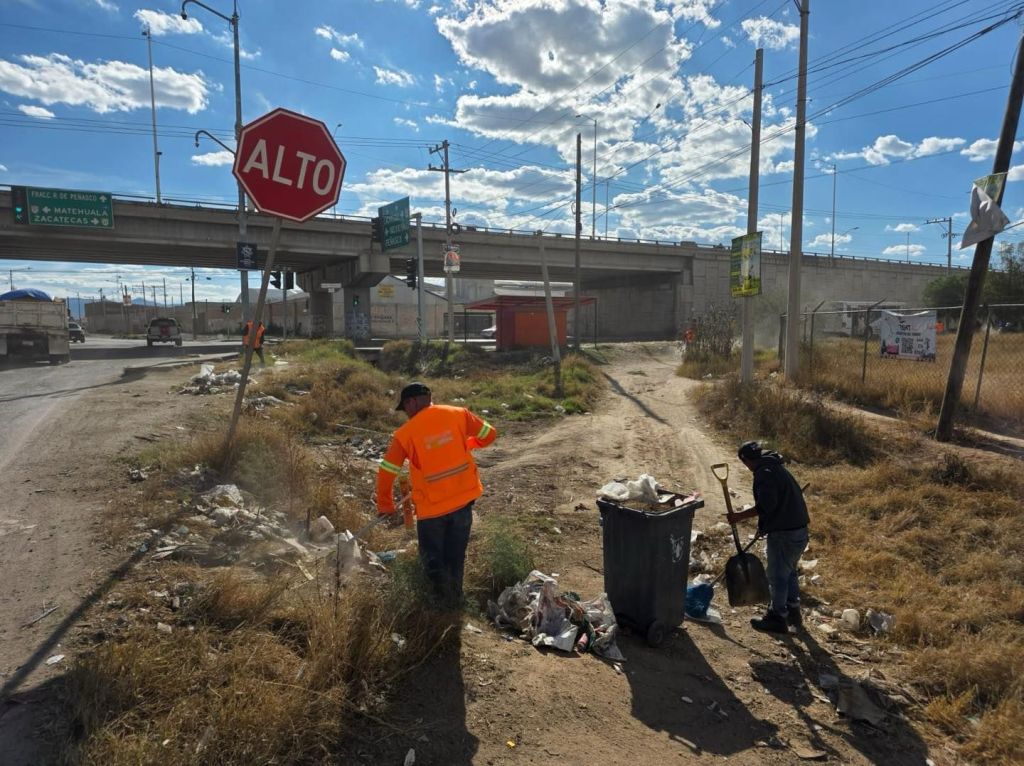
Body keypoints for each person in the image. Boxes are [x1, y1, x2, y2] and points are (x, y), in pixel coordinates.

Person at [376, 382, 498, 606]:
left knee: (432, 560)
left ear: (411, 402)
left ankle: (436, 608)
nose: (406, 415)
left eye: (405, 409)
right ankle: (455, 602)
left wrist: (385, 505)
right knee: (456, 556)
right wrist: (467, 443)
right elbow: (489, 435)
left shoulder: (405, 433)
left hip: (431, 510)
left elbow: (387, 471)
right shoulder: (459, 414)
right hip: (463, 502)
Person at [726, 441, 809, 635]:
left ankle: (777, 617)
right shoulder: (774, 467)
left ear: (746, 461)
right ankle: (793, 611)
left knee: (777, 576)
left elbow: (766, 506)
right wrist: (765, 525)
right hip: (798, 530)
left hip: (785, 534)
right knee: (788, 572)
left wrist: (738, 516)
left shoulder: (764, 474)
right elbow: (776, 505)